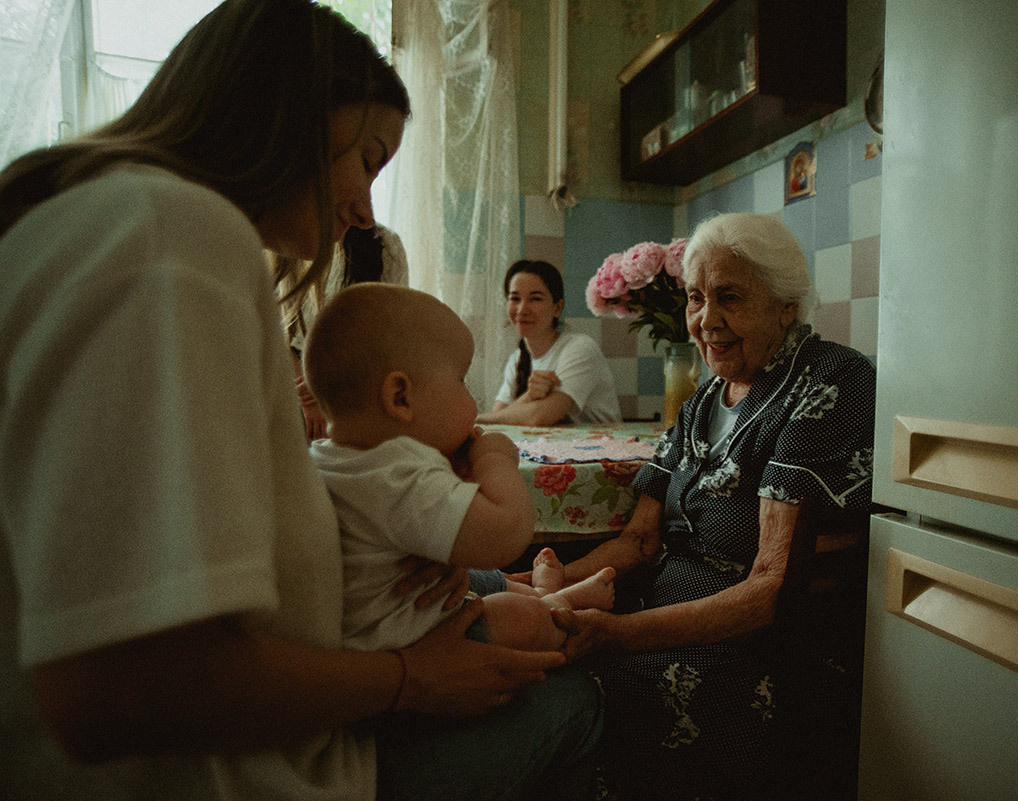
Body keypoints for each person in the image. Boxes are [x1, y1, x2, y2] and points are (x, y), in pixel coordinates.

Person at [0, 2, 599, 799]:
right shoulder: (169, 236)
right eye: (371, 160)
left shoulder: (102, 222)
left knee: (496, 599)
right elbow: (123, 688)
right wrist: (406, 678)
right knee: (576, 698)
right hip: (249, 772)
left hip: (278, 719)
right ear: (291, 114)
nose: (365, 209)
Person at [543, 213, 877, 800]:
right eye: (697, 298)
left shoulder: (827, 380)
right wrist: (547, 588)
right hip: (658, 617)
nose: (705, 321)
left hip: (751, 654)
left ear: (786, 305)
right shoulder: (704, 398)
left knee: (551, 687)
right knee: (509, 618)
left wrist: (615, 633)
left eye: (730, 298)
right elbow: (642, 540)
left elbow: (770, 586)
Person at [303, 282, 617, 657]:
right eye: (462, 380)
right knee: (520, 617)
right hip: (411, 639)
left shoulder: (329, 458)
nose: (471, 399)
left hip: (377, 624)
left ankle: (549, 594)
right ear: (400, 397)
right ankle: (552, 609)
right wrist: (494, 458)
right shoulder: (401, 476)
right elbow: (506, 533)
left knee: (479, 583)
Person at [286, 223, 410, 440]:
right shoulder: (286, 240)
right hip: (292, 380)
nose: (366, 211)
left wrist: (327, 385)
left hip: (356, 381)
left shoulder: (384, 245)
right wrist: (309, 397)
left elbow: (387, 335)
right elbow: (275, 328)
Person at [477, 259, 620, 426]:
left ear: (557, 308)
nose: (522, 309)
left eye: (535, 299)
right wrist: (528, 396)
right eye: (515, 298)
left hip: (605, 448)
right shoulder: (517, 359)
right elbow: (498, 418)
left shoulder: (580, 348)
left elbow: (539, 416)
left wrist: (477, 420)